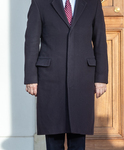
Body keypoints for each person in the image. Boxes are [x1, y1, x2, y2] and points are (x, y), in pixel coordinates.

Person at [24, 0, 108, 149]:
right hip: (50, 79)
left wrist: (101, 78)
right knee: (53, 134)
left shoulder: (93, 3)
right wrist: (31, 78)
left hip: (82, 77)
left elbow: (100, 41)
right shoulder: (40, 3)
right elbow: (31, 41)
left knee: (78, 134)